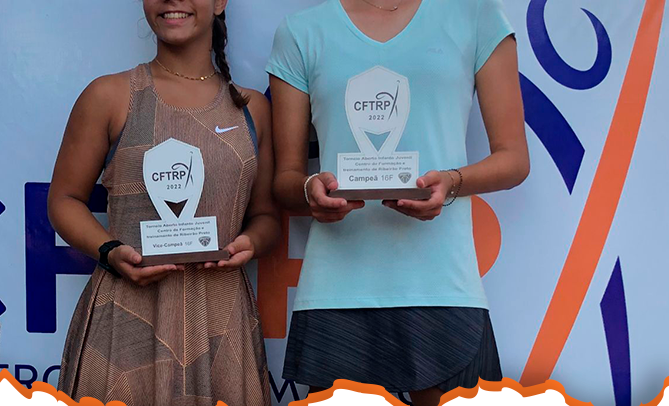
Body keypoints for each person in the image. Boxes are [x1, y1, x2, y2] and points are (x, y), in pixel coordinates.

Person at [267, 0, 529, 404]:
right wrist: (309, 190)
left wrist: (452, 182)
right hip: (338, 288)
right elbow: (286, 179)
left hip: (442, 284)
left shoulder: (476, 16)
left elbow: (514, 159)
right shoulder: (301, 33)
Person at [48, 0, 279, 404]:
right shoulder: (110, 96)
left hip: (220, 320)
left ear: (219, 2)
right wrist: (109, 251)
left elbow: (266, 216)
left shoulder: (251, 108)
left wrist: (252, 242)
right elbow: (64, 200)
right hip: (126, 320)